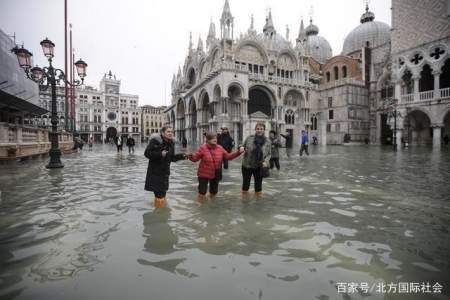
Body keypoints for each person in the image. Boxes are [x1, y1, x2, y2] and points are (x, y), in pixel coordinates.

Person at [187, 132, 244, 203]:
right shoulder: (203, 148)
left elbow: (229, 157)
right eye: (212, 138)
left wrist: (238, 152)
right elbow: (195, 158)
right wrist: (190, 156)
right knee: (202, 193)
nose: (215, 139)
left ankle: (212, 206)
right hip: (203, 174)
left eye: (215, 138)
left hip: (215, 173)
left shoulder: (220, 148)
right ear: (208, 140)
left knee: (214, 192)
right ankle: (201, 208)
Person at [144, 126, 186, 208]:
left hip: (165, 173)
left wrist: (182, 156)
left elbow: (171, 158)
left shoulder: (171, 143)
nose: (170, 133)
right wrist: (160, 154)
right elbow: (147, 153)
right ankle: (159, 215)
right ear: (163, 133)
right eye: (168, 131)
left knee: (163, 194)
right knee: (160, 195)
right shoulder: (155, 141)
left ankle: (161, 213)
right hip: (155, 173)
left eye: (171, 132)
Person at [241, 122, 271, 197]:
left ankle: (258, 204)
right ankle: (245, 201)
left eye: (261, 129)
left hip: (259, 166)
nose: (259, 130)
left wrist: (266, 162)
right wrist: (241, 148)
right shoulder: (249, 138)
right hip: (247, 165)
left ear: (264, 130)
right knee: (245, 185)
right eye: (258, 129)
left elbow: (269, 154)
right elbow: (242, 146)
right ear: (255, 129)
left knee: (258, 187)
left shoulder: (268, 141)